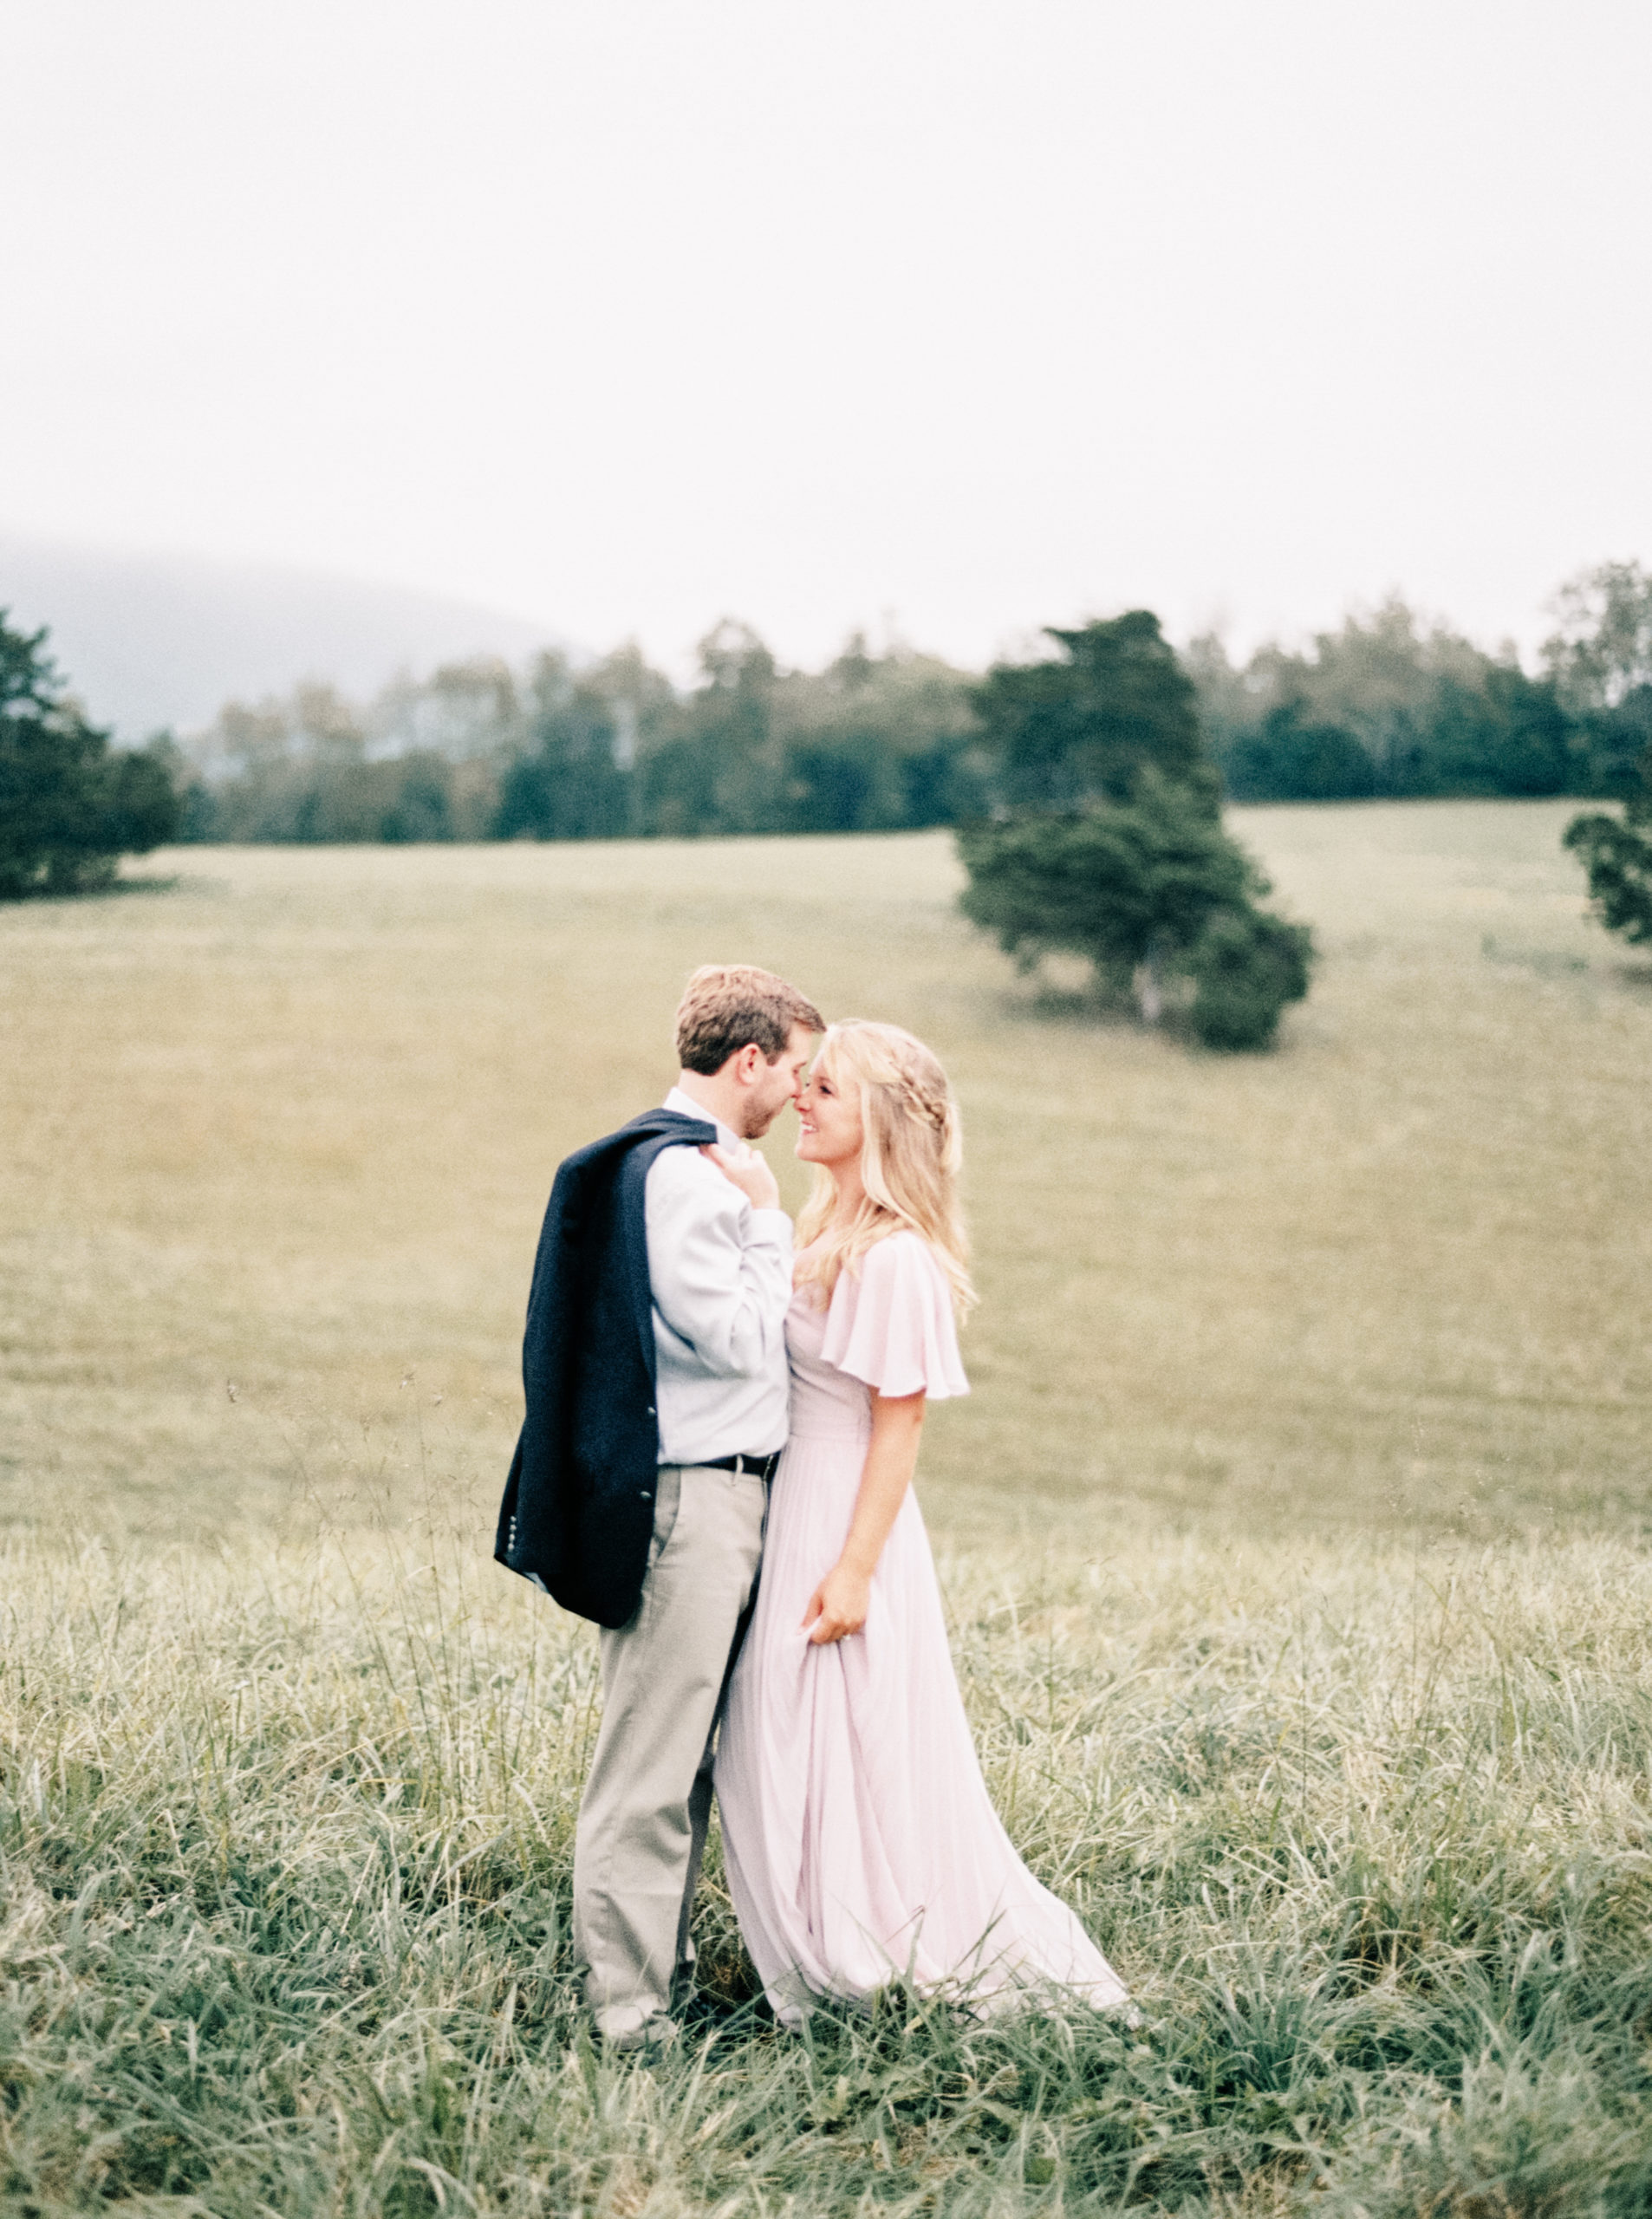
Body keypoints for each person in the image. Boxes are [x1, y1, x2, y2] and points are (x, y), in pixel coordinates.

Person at [712, 1020, 1129, 2027]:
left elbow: (896, 1427)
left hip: (843, 1512)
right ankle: (815, 1945)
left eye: (825, 1091)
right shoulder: (814, 1227)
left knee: (840, 1737)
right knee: (781, 1735)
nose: (799, 1100)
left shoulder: (893, 1258)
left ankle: (870, 1956)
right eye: (802, 1084)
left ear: (882, 1123)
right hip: (790, 1498)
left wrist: (854, 1572)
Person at [496, 963, 823, 2047]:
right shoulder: (690, 1179)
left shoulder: (708, 1171)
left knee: (685, 1759)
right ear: (749, 1062)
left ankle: (662, 1985)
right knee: (647, 1767)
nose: (797, 1094)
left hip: (726, 1500)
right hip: (689, 1505)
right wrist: (771, 1226)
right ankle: (630, 2013)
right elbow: (727, 1339)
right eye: (795, 1070)